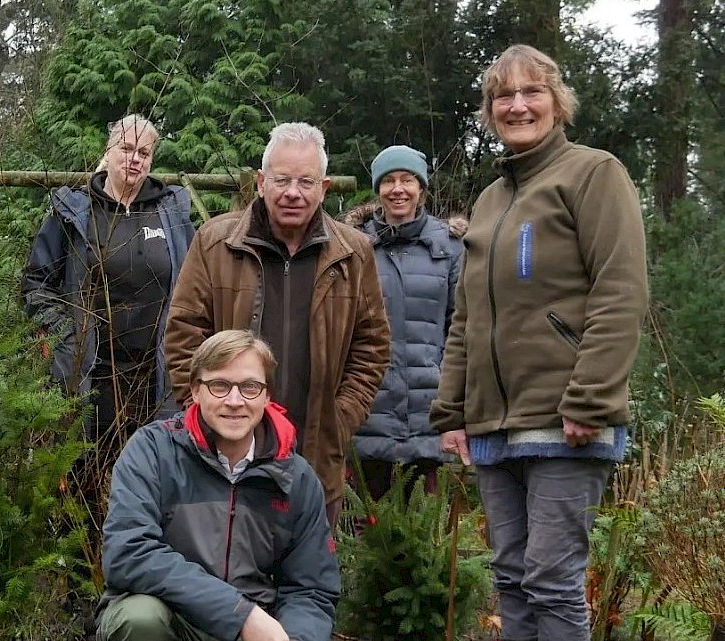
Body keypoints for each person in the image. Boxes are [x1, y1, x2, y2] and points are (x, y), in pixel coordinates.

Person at [430, 44, 648, 641]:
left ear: (557, 102)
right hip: (493, 425)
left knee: (552, 581)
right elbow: (466, 318)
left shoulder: (593, 172)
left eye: (532, 92)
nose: (517, 105)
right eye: (504, 95)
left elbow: (620, 289)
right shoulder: (491, 199)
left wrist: (591, 399)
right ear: (490, 110)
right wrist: (451, 411)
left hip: (565, 416)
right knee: (510, 578)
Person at [164, 121, 390, 527]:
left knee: (308, 580)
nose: (292, 192)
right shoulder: (216, 242)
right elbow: (184, 335)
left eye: (306, 181)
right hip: (226, 449)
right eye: (282, 179)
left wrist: (342, 417)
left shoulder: (353, 253)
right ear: (261, 181)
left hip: (316, 452)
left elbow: (371, 345)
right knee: (225, 575)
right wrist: (205, 410)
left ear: (323, 188)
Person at [97, 330, 340, 641]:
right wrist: (240, 614)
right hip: (175, 620)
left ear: (267, 396)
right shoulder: (152, 451)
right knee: (140, 618)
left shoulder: (297, 477)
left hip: (256, 632)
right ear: (196, 391)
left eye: (250, 387)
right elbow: (128, 552)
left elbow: (311, 589)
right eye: (220, 385)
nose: (235, 401)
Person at [22, 114, 194, 530]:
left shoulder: (172, 212)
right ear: (109, 152)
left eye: (144, 153)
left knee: (153, 482)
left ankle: (141, 573)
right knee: (83, 479)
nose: (134, 160)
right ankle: (81, 578)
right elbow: (35, 284)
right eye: (126, 149)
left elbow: (195, 284)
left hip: (153, 377)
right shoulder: (75, 211)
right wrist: (65, 335)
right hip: (91, 375)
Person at [344, 145, 464, 502]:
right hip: (368, 411)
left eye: (407, 180)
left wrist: (456, 403)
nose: (398, 189)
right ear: (378, 189)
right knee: (366, 525)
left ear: (421, 188)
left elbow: (459, 326)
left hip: (430, 410)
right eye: (389, 180)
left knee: (424, 528)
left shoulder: (451, 247)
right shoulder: (353, 246)